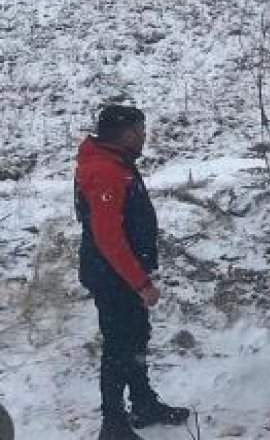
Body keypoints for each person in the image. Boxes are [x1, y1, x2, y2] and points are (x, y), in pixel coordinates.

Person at [76, 105, 190, 439]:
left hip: (119, 272)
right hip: (112, 275)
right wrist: (140, 283)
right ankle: (113, 425)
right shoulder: (106, 170)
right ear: (126, 132)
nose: (144, 136)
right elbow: (108, 237)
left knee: (136, 338)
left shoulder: (114, 163)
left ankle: (143, 403)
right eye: (141, 130)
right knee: (119, 347)